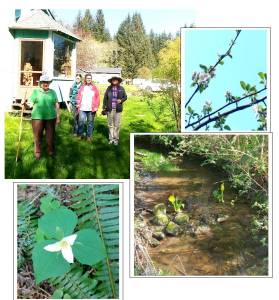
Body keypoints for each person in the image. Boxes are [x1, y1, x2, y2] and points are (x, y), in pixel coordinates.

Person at [24, 74, 60, 160]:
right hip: (37, 118)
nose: (45, 83)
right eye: (44, 82)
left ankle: (50, 151)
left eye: (47, 82)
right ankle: (37, 152)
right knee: (37, 137)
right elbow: (30, 104)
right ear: (40, 83)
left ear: (49, 83)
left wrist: (58, 116)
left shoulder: (53, 92)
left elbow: (56, 104)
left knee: (50, 137)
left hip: (51, 118)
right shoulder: (35, 92)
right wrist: (25, 104)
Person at [103, 76, 127, 145]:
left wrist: (121, 100)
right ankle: (111, 139)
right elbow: (105, 98)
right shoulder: (109, 88)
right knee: (110, 124)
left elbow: (125, 97)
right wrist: (104, 107)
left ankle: (116, 139)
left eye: (116, 80)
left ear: (118, 81)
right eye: (113, 80)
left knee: (117, 125)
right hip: (110, 109)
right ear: (111, 81)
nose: (114, 81)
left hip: (118, 109)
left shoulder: (121, 88)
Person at [76, 73, 100, 141]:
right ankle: (80, 134)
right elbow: (78, 96)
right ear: (85, 79)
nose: (89, 79)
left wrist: (96, 106)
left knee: (90, 123)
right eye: (87, 78)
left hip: (91, 108)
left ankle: (89, 136)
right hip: (82, 108)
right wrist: (78, 103)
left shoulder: (94, 88)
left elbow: (97, 97)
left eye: (90, 78)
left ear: (91, 79)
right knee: (81, 122)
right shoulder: (82, 87)